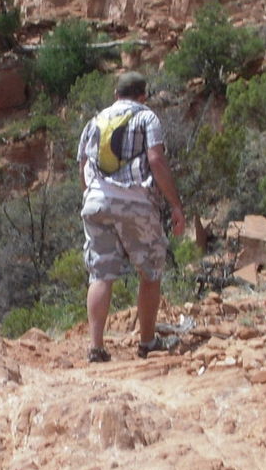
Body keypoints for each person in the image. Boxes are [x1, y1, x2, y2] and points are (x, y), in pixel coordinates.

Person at [76, 71, 187, 362]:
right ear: (143, 96)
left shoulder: (93, 122)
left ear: (116, 95)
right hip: (136, 202)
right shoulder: (146, 117)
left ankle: (96, 348)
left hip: (96, 203)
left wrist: (93, 197)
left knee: (100, 274)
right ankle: (147, 343)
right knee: (150, 272)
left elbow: (83, 167)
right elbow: (156, 160)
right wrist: (175, 204)